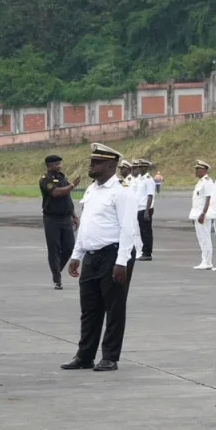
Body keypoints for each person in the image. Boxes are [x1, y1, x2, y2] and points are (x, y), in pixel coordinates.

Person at [61, 143, 139, 372]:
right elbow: (85, 224)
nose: (91, 165)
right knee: (89, 308)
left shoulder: (122, 191)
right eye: (91, 161)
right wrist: (77, 255)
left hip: (114, 253)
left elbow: (128, 228)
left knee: (113, 308)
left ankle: (110, 357)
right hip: (92, 255)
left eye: (96, 162)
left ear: (111, 165)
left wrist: (122, 261)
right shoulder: (92, 189)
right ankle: (85, 356)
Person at [40, 154, 80, 290]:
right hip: (52, 219)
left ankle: (57, 270)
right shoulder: (45, 180)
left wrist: (73, 215)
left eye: (60, 164)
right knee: (54, 249)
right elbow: (56, 193)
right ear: (49, 166)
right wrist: (73, 185)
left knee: (69, 247)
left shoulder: (62, 177)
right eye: (57, 164)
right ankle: (57, 278)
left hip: (65, 218)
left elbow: (67, 198)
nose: (59, 166)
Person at [189, 160, 214, 270]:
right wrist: (194, 215)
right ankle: (204, 260)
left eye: (198, 169)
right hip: (197, 214)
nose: (196, 171)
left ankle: (207, 261)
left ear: (204, 170)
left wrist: (203, 213)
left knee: (205, 238)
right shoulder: (200, 182)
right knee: (201, 238)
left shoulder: (207, 182)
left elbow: (209, 199)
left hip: (203, 215)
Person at [134, 159, 156, 261]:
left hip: (145, 209)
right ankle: (144, 251)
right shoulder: (141, 179)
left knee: (146, 232)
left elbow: (150, 196)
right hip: (140, 208)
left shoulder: (148, 179)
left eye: (141, 167)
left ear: (146, 168)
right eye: (139, 167)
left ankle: (147, 253)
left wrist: (147, 211)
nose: (139, 169)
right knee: (142, 231)